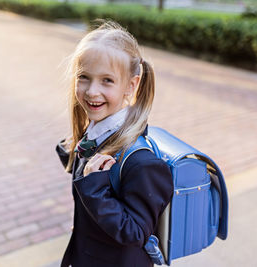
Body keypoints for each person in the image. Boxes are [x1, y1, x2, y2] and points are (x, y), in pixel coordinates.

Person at [55, 19, 174, 267]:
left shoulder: (141, 163)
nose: (91, 91)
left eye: (107, 80)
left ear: (131, 85)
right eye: (84, 77)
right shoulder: (95, 135)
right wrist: (74, 154)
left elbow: (135, 233)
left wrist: (95, 191)